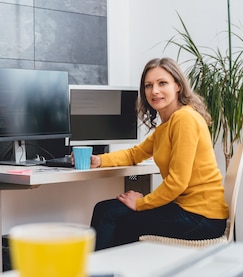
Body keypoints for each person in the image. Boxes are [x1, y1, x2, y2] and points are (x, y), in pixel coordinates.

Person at [89, 57, 228, 250]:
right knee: (107, 210)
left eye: (162, 83)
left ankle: (103, 271)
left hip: (201, 217)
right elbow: (135, 154)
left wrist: (142, 203)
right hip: (187, 210)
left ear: (178, 86)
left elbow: (177, 182)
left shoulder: (184, 119)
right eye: (148, 85)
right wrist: (98, 160)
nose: (154, 91)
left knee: (111, 215)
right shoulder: (168, 123)